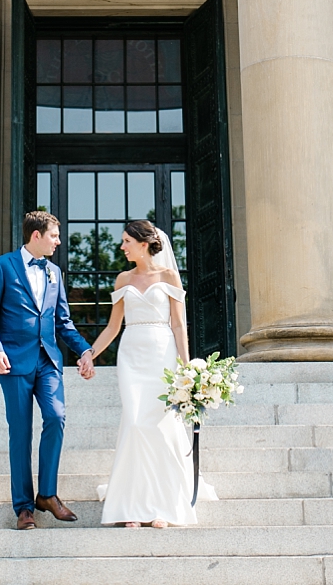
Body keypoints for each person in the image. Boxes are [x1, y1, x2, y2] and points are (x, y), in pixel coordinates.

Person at [0, 210, 96, 530]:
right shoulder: (2, 266)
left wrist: (85, 349)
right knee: (20, 433)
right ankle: (23, 507)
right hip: (13, 362)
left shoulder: (55, 272)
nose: (58, 241)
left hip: (48, 361)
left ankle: (48, 494)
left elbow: (63, 323)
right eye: (54, 236)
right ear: (36, 235)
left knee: (56, 417)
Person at [85, 219, 198, 527]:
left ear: (144, 244)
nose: (122, 247)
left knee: (159, 427)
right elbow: (112, 327)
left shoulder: (169, 275)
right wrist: (90, 354)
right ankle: (132, 507)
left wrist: (186, 368)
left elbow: (178, 324)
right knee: (135, 423)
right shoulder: (123, 279)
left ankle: (162, 506)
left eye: (126, 242)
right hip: (132, 354)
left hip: (162, 354)